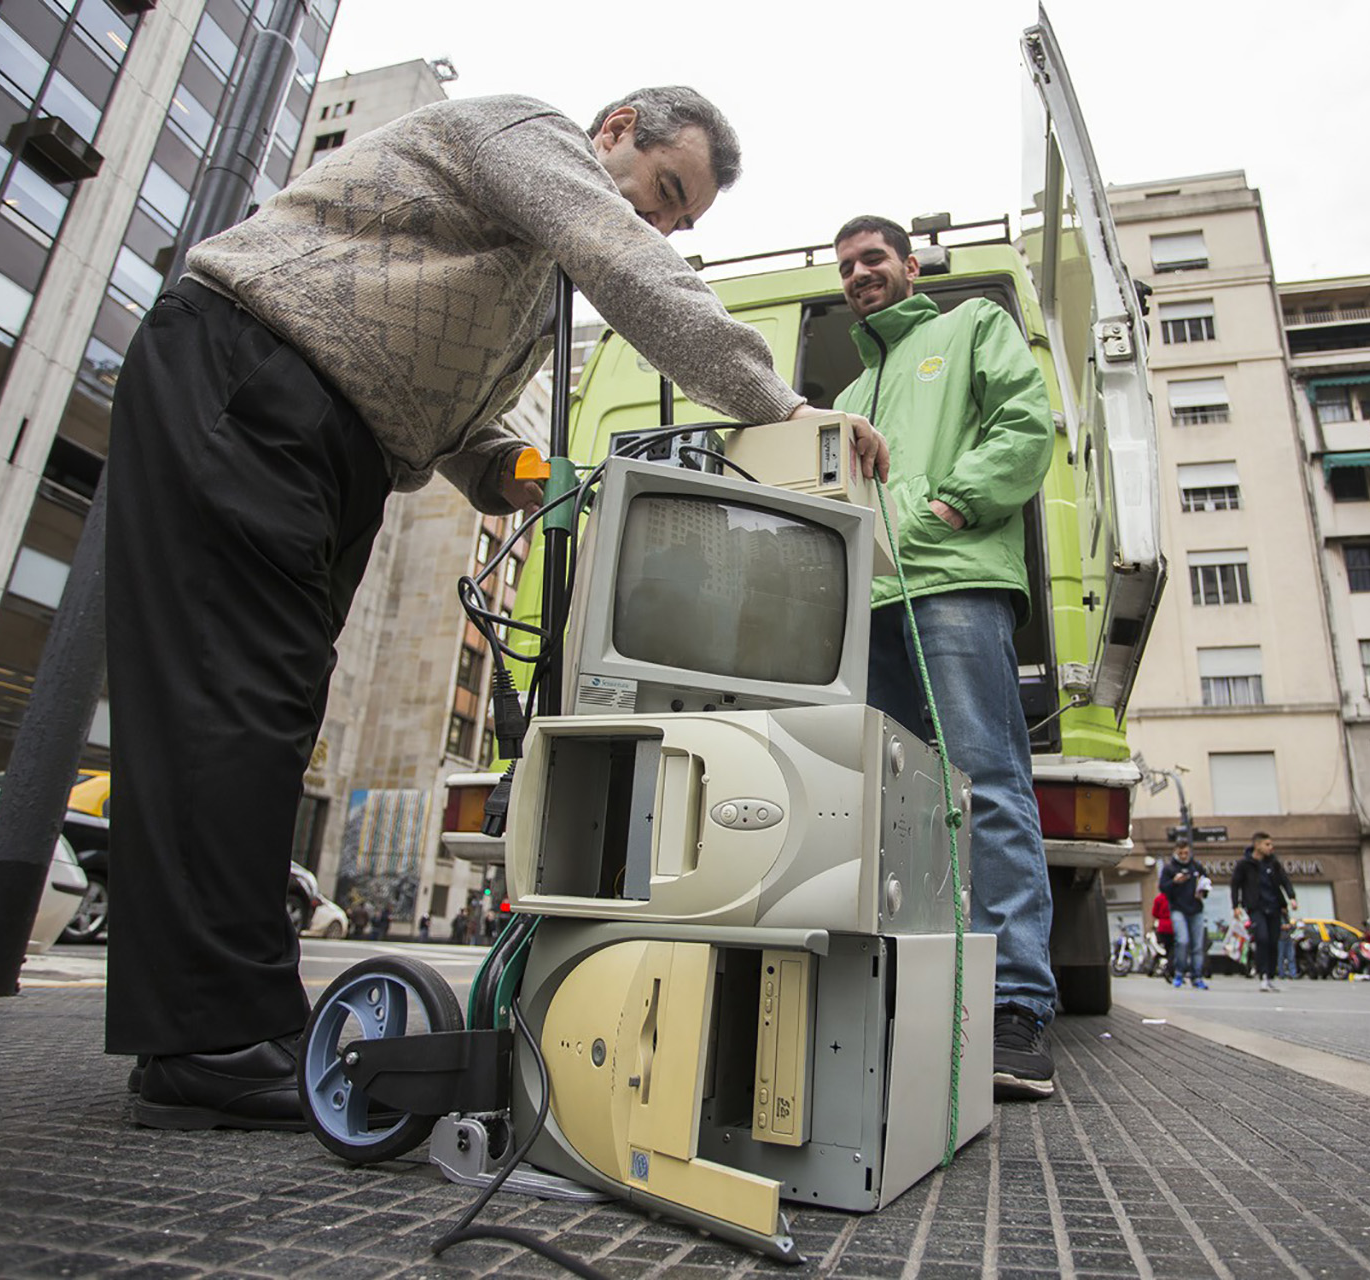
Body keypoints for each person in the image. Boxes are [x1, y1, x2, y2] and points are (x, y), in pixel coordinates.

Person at [109, 87, 888, 1134]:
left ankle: (207, 1032)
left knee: (266, 707)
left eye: (679, 218)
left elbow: (457, 417)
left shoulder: (525, 281)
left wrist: (511, 472)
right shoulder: (525, 135)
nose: (658, 224)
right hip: (254, 372)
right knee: (234, 699)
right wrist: (782, 405)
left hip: (335, 441)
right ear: (613, 128)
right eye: (663, 191)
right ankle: (215, 1035)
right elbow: (623, 262)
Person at [830, 215, 1056, 1100]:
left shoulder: (970, 329)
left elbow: (1026, 424)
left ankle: (1016, 1009)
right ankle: (923, 1005)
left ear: (910, 266)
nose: (859, 274)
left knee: (985, 784)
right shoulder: (851, 386)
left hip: (954, 584)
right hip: (871, 604)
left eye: (874, 258)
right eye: (847, 266)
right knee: (901, 814)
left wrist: (950, 507)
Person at [1230, 832, 1297, 993]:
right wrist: (1236, 905)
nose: (1270, 847)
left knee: (1274, 941)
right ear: (1257, 845)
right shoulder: (1245, 864)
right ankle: (1263, 975)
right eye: (1267, 844)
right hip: (1256, 907)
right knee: (1262, 938)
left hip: (1274, 906)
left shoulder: (1273, 863)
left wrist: (1291, 897)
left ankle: (1270, 977)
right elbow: (1235, 885)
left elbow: (1284, 880)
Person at [1159, 842, 1210, 989]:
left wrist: (1203, 892)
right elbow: (1163, 888)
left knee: (1198, 945)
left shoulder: (1197, 867)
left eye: (1186, 853)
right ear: (1176, 852)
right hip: (1178, 909)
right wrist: (1174, 882)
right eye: (1180, 853)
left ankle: (1197, 976)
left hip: (1196, 909)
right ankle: (1179, 972)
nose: (1183, 856)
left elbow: (1205, 884)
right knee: (1182, 941)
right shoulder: (1170, 868)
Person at [1150, 890, 1176, 984]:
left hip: (1162, 927)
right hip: (1173, 926)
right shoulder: (1175, 897)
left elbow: (1154, 914)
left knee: (1168, 949)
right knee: (1174, 949)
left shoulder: (1159, 898)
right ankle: (1169, 969)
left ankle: (1169, 970)